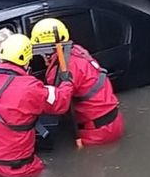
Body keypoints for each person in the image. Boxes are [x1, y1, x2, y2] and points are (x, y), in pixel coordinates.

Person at [0, 34, 74, 177]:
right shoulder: (31, 88)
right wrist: (67, 83)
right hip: (21, 169)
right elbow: (60, 103)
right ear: (27, 61)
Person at [31, 18, 124, 146]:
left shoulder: (61, 71)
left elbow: (57, 106)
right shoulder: (77, 51)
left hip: (96, 132)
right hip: (114, 121)